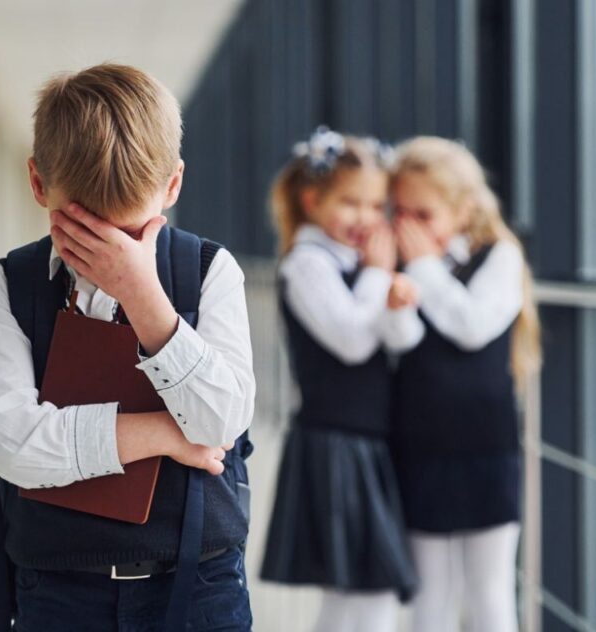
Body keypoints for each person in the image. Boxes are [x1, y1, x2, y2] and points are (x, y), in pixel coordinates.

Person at [0, 63, 255, 632]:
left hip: (196, 581)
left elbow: (226, 415)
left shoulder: (208, 271)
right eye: (81, 229)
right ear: (38, 184)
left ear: (171, 186)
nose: (107, 255)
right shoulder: (8, 284)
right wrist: (171, 436)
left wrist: (144, 295)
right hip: (58, 587)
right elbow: (16, 445)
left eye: (126, 233)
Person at [260, 126, 419, 632]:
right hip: (335, 442)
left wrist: (390, 296)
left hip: (362, 442)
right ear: (312, 200)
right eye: (351, 203)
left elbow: (397, 340)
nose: (366, 219)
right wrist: (377, 275)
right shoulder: (306, 264)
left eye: (376, 207)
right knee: (363, 596)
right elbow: (351, 341)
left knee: (359, 596)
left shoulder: (352, 263)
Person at [387, 136, 541, 632]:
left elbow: (472, 326)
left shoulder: (500, 257)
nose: (409, 228)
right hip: (419, 443)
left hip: (484, 445)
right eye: (400, 213)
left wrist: (424, 268)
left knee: (490, 592)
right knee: (428, 593)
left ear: (464, 210)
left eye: (424, 215)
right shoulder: (397, 265)